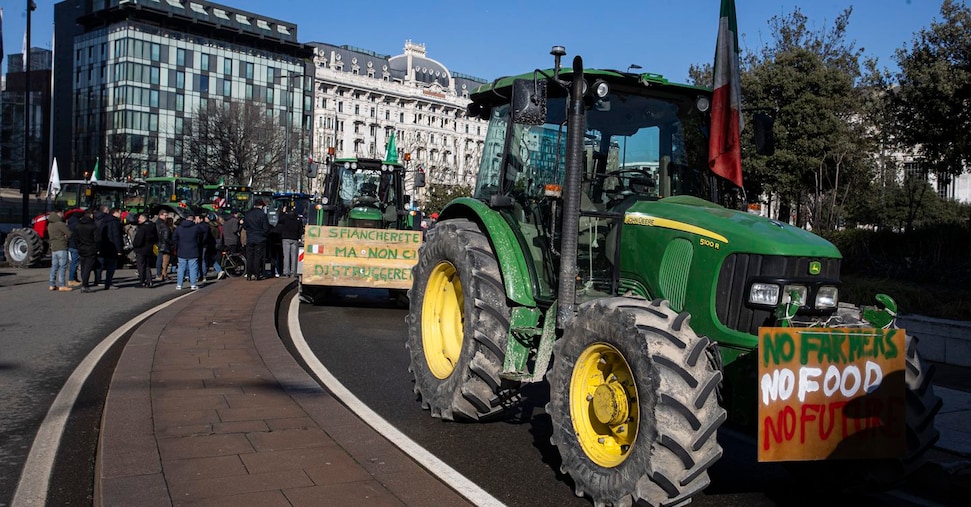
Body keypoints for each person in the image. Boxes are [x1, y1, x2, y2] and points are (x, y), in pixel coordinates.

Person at [171, 213, 202, 290]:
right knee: (193, 268)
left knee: (181, 268)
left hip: (182, 250)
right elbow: (202, 234)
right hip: (193, 249)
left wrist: (179, 244)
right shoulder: (196, 228)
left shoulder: (179, 228)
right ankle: (193, 284)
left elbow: (174, 238)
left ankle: (179, 284)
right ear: (193, 219)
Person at [243, 200, 272, 280]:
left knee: (249, 257)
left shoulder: (247, 214)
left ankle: (249, 274)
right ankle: (257, 274)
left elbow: (245, 226)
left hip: (250, 238)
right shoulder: (263, 215)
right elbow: (266, 228)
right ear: (261, 206)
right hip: (260, 239)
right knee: (258, 257)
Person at [97, 206, 125, 290]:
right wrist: (119, 249)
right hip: (112, 247)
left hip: (103, 245)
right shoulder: (115, 223)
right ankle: (108, 283)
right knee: (111, 266)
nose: (120, 215)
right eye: (119, 213)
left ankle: (98, 280)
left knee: (101, 264)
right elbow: (116, 236)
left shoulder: (103, 221)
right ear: (115, 213)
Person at [47, 208, 73, 292]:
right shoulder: (60, 224)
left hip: (54, 247)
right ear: (59, 213)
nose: (63, 215)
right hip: (61, 246)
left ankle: (52, 284)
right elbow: (69, 233)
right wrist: (65, 236)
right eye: (62, 213)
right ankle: (62, 285)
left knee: (54, 266)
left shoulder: (50, 224)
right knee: (63, 266)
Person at [75, 209, 100, 293]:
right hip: (91, 248)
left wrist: (78, 246)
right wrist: (97, 248)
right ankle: (85, 285)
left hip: (81, 248)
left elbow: (76, 238)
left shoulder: (78, 225)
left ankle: (84, 283)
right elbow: (97, 239)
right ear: (91, 215)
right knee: (88, 268)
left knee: (83, 266)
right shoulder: (93, 226)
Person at [132, 212, 159, 288]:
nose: (138, 219)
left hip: (141, 249)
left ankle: (142, 281)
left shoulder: (142, 228)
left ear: (144, 218)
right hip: (149, 248)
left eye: (140, 218)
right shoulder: (153, 226)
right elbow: (156, 238)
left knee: (141, 266)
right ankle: (149, 281)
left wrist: (135, 245)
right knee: (147, 266)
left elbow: (139, 239)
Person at [275, 205, 303, 277]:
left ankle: (286, 272)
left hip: (286, 238)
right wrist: (299, 237)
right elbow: (301, 230)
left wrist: (283, 212)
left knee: (286, 256)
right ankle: (293, 272)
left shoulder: (285, 218)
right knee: (294, 256)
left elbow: (279, 220)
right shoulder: (298, 219)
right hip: (295, 238)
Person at [154, 210, 171, 280]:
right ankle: (160, 274)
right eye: (165, 215)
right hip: (163, 244)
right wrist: (171, 242)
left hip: (158, 243)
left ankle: (160, 274)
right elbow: (166, 236)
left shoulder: (156, 223)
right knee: (161, 260)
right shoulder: (163, 225)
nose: (166, 217)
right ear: (160, 215)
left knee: (160, 259)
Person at [66, 211, 82, 286]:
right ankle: (71, 279)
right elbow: (77, 237)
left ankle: (74, 278)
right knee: (74, 263)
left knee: (73, 262)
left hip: (70, 245)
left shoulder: (69, 224)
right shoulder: (77, 225)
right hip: (75, 246)